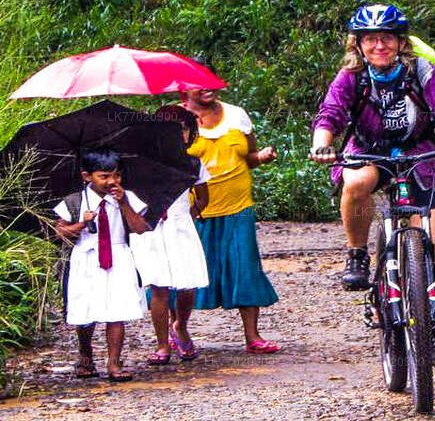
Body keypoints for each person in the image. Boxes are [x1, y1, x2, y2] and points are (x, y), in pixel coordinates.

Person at [308, 4, 435, 369]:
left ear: (400, 41)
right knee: (357, 180)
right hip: (368, 149)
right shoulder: (352, 76)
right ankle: (358, 254)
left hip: (419, 150)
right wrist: (321, 144)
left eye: (387, 38)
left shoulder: (419, 71)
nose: (380, 45)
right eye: (371, 39)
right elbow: (330, 114)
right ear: (358, 44)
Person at [181, 85, 282, 353]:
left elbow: (249, 157)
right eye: (198, 86)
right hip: (192, 211)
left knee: (245, 266)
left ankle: (253, 337)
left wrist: (262, 157)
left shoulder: (236, 115)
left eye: (211, 82)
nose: (207, 89)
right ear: (184, 89)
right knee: (183, 271)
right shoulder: (174, 119)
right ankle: (177, 332)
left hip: (238, 206)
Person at [52, 149, 151, 382]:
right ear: (87, 176)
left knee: (117, 311)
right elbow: (60, 232)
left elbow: (140, 227)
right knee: (87, 309)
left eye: (116, 176)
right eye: (104, 176)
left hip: (118, 255)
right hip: (87, 257)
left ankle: (114, 363)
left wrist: (124, 202)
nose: (111, 182)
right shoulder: (75, 201)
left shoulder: (126, 198)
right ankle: (86, 356)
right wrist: (81, 224)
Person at [134, 105, 211, 364]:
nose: (177, 134)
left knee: (187, 283)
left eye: (183, 128)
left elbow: (203, 197)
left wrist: (188, 213)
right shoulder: (143, 163)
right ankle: (161, 342)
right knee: (159, 287)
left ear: (191, 133)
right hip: (153, 229)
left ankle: (181, 324)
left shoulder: (193, 164)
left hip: (180, 226)